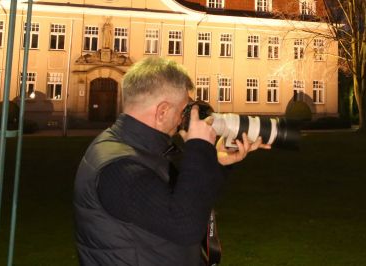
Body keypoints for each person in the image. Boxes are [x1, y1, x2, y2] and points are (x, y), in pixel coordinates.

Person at [73, 57, 271, 266]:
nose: (182, 120)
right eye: (183, 111)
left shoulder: (130, 146)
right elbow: (185, 225)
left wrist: (215, 161)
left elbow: (185, 201)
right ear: (162, 111)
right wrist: (198, 147)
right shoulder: (120, 169)